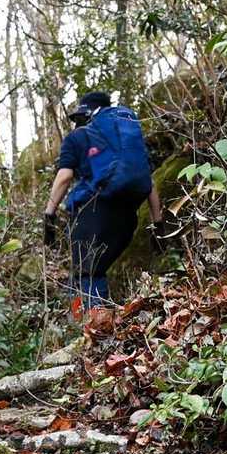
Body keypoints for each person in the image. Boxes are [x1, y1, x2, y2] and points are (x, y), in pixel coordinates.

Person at [42, 90, 164, 307]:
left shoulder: (77, 138)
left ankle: (96, 325)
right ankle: (106, 318)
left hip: (93, 215)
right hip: (127, 218)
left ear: (87, 113)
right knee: (98, 270)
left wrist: (49, 215)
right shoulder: (125, 141)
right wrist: (158, 225)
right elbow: (149, 182)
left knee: (87, 274)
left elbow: (64, 177)